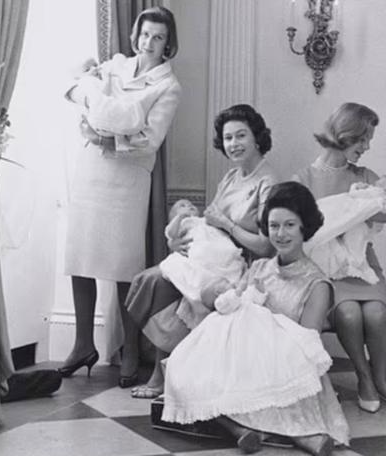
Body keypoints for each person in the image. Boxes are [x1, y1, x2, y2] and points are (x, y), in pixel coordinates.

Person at [163, 182, 348, 456]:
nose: (280, 234)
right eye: (274, 226)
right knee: (182, 367)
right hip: (246, 357)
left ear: (304, 228)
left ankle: (302, 436)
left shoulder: (317, 284)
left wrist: (263, 324)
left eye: (289, 225)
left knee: (246, 388)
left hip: (289, 366)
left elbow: (308, 346)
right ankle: (242, 430)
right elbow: (231, 309)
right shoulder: (260, 267)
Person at [119, 104, 280, 397]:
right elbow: (207, 224)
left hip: (241, 267)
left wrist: (228, 226)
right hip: (210, 257)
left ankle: (163, 374)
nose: (234, 144)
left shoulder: (268, 183)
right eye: (228, 138)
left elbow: (267, 246)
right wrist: (176, 242)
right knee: (153, 279)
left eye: (241, 136)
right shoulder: (231, 177)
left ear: (257, 137)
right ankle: (167, 370)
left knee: (163, 284)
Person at [59, 6, 182, 377]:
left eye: (157, 37)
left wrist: (103, 133)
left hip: (127, 179)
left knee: (123, 266)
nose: (148, 43)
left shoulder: (168, 87)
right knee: (81, 257)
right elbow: (77, 91)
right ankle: (83, 343)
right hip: (92, 170)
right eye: (144, 35)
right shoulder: (114, 66)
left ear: (167, 43)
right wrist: (99, 109)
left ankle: (130, 348)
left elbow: (147, 141)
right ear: (136, 35)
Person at [294, 102, 386, 414]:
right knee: (348, 314)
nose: (367, 146)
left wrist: (365, 205)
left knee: (376, 313)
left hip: (362, 265)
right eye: (363, 139)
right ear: (344, 135)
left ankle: (382, 380)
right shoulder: (304, 178)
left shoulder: (365, 176)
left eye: (369, 140)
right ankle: (363, 379)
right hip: (327, 269)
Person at [306, 173, 386, 283]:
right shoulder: (379, 196)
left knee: (348, 238)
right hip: (355, 219)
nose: (383, 176)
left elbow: (357, 198)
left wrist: (357, 189)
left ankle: (349, 260)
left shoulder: (380, 195)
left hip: (357, 220)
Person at [159, 198, 246, 329]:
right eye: (182, 206)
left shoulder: (205, 221)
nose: (188, 206)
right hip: (202, 246)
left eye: (191, 204)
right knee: (199, 255)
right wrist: (180, 217)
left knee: (227, 251)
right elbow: (171, 234)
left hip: (218, 243)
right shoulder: (184, 223)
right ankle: (218, 289)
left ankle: (230, 277)